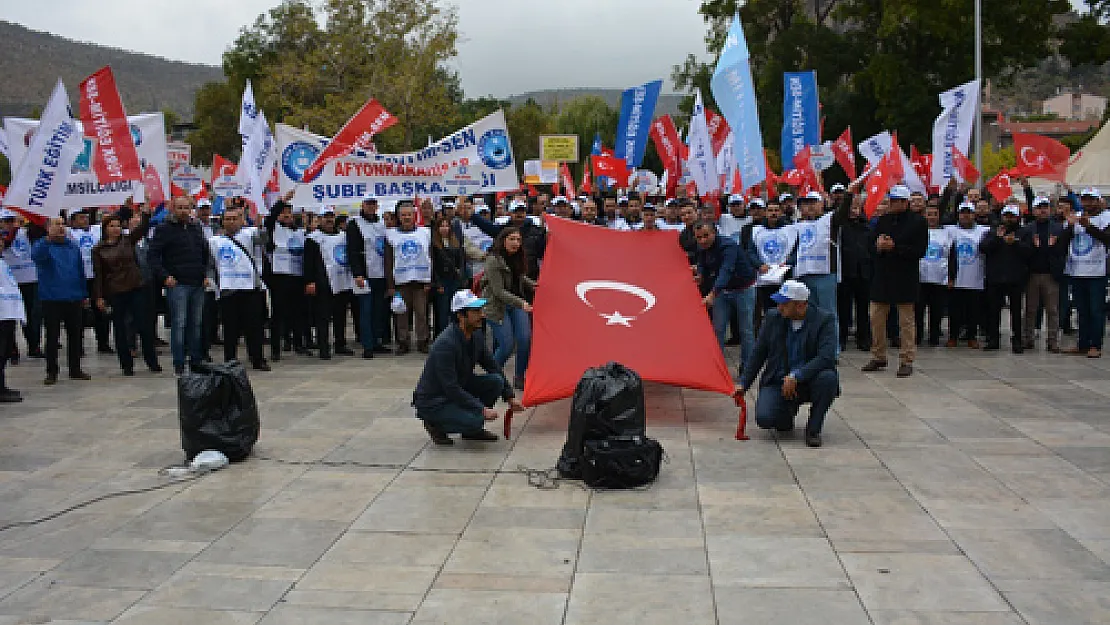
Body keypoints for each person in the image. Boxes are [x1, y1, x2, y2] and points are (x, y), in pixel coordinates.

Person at [412, 289, 523, 445]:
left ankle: (471, 431)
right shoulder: (445, 344)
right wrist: (481, 409)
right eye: (476, 311)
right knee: (476, 418)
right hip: (434, 401)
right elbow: (451, 388)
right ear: (460, 316)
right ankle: (435, 424)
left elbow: (492, 366)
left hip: (459, 385)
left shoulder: (476, 335)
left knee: (496, 381)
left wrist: (509, 396)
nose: (482, 315)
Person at [736, 280, 838, 448]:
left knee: (828, 378)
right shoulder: (772, 318)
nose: (779, 307)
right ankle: (787, 411)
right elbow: (758, 353)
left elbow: (826, 357)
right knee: (766, 419)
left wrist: (797, 376)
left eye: (784, 303)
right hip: (779, 379)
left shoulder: (824, 320)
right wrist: (743, 383)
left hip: (809, 379)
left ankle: (813, 429)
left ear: (800, 306)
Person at [861, 184, 928, 377]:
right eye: (891, 200)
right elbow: (870, 246)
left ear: (905, 202)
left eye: (897, 201)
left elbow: (919, 251)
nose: (893, 204)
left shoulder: (918, 222)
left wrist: (895, 247)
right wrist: (878, 246)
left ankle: (907, 359)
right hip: (882, 276)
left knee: (906, 321)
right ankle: (878, 355)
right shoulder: (883, 221)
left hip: (905, 276)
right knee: (876, 318)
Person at [91, 209, 162, 376]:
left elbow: (143, 228)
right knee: (120, 328)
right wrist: (99, 296)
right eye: (112, 226)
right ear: (105, 228)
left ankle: (151, 361)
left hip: (135, 286)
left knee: (144, 326)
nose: (116, 229)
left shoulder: (127, 240)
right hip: (115, 291)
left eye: (118, 225)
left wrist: (145, 213)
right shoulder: (99, 249)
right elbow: (98, 274)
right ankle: (126, 364)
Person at [149, 197, 209, 375]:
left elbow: (204, 252)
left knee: (196, 324)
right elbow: (153, 255)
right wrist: (164, 276)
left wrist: (205, 274)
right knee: (179, 324)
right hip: (178, 284)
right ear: (172, 209)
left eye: (186, 208)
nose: (183, 211)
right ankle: (179, 362)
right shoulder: (164, 229)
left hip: (197, 282)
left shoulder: (196, 228)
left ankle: (196, 359)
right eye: (180, 208)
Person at [207, 206, 270, 371]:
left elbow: (265, 238)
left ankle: (257, 358)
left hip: (250, 288)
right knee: (230, 328)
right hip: (228, 289)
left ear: (242, 220)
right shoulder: (214, 241)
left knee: (254, 326)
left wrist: (261, 223)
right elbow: (210, 265)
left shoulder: (250, 234)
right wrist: (212, 283)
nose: (231, 221)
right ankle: (230, 359)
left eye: (235, 218)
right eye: (228, 219)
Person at [31, 217, 91, 385]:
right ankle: (52, 371)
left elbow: (80, 271)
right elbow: (37, 257)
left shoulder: (72, 246)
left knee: (75, 335)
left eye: (62, 224)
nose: (61, 227)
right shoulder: (43, 246)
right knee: (52, 337)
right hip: (52, 298)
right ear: (48, 228)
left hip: (73, 297)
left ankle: (75, 368)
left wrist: (84, 293)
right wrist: (47, 240)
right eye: (56, 224)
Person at [693, 219, 757, 366]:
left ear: (714, 233)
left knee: (746, 331)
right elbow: (702, 262)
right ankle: (717, 367)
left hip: (743, 289)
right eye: (698, 237)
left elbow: (726, 270)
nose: (702, 240)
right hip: (723, 290)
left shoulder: (728, 246)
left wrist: (712, 294)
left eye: (706, 236)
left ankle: (747, 367)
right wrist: (701, 274)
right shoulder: (702, 247)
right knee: (718, 329)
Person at [481, 227, 535, 390]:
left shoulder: (516, 258)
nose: (515, 243)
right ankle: (492, 376)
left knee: (525, 339)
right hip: (497, 306)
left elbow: (519, 276)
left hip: (516, 303)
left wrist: (534, 285)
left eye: (518, 240)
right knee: (506, 345)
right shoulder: (493, 260)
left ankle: (519, 377)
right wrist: (521, 303)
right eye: (512, 239)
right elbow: (498, 291)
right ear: (503, 240)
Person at [1059, 188, 1110, 358]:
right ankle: (1083, 343)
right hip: (1077, 270)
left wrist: (1089, 227)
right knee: (1081, 310)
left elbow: (1107, 239)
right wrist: (1070, 226)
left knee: (1096, 310)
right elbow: (1062, 242)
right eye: (1085, 199)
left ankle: (1095, 344)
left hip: (1097, 272)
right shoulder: (1075, 217)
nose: (1088, 203)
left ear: (1098, 201)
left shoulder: (1106, 218)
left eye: (1091, 199)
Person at [981, 204, 1032, 352]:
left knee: (1016, 311)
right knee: (993, 310)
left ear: (1017, 217)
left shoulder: (1024, 232)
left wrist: (1015, 243)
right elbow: (983, 248)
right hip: (995, 278)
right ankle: (993, 339)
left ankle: (1017, 340)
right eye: (1006, 216)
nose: (1009, 219)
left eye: (1012, 216)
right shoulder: (993, 231)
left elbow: (1030, 252)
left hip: (1015, 278)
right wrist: (998, 239)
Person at [304, 209, 355, 359]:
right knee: (323, 317)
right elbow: (308, 262)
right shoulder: (313, 238)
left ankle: (340, 343)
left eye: (331, 217)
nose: (329, 220)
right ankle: (323, 347)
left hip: (341, 281)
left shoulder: (343, 236)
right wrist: (310, 281)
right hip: (322, 283)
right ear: (320, 219)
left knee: (340, 316)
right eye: (325, 217)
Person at [1019, 196, 1066, 352]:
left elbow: (1063, 251)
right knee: (1030, 309)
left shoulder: (1058, 228)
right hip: (1032, 274)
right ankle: (1028, 338)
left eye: (1045, 207)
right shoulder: (1027, 229)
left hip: (1050, 274)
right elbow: (1023, 252)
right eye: (1039, 207)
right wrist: (1034, 247)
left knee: (1052, 309)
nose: (1043, 210)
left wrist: (1053, 247)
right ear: (1034, 210)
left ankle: (1052, 341)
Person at [264, 198, 309, 359]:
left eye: (289, 214)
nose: (287, 217)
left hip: (296, 276)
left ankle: (298, 343)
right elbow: (269, 218)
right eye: (284, 214)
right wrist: (281, 202)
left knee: (297, 312)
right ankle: (276, 348)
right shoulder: (273, 228)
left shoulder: (298, 231)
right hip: (279, 276)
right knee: (278, 313)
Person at [347, 196, 391, 358]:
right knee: (366, 310)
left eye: (374, 204)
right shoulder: (355, 224)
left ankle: (376, 341)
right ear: (363, 205)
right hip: (365, 274)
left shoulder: (381, 224)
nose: (371, 207)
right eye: (368, 204)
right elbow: (352, 251)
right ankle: (367, 345)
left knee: (379, 310)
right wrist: (357, 273)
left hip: (380, 274)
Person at [945, 202, 989, 349]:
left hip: (975, 278)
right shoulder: (950, 230)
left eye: (968, 212)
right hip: (956, 278)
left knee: (973, 310)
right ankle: (953, 336)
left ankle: (972, 337)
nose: (965, 215)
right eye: (962, 212)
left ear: (974, 214)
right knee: (954, 310)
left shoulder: (984, 230)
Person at [68, 209, 112, 353]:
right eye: (81, 218)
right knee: (78, 313)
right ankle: (77, 345)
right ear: (73, 221)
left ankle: (103, 342)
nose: (85, 220)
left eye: (86, 217)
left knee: (101, 310)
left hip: (97, 278)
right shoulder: (69, 234)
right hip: (78, 278)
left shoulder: (97, 230)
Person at [1, 212, 43, 359]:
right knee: (10, 316)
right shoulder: (4, 236)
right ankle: (11, 349)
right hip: (10, 283)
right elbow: (6, 243)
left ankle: (34, 345)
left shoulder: (26, 232)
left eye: (12, 220)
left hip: (30, 279)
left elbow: (39, 228)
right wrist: (13, 229)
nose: (10, 223)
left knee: (33, 315)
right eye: (6, 221)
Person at [838, 195, 872, 351]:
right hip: (846, 271)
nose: (854, 209)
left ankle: (863, 338)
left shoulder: (867, 226)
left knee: (863, 308)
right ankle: (842, 337)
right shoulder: (841, 226)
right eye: (851, 206)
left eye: (857, 206)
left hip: (864, 272)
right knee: (844, 308)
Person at [916, 202, 952, 347]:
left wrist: (951, 276)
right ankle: (917, 336)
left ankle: (934, 337)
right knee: (918, 311)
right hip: (920, 277)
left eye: (934, 214)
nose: (931, 217)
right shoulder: (918, 231)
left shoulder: (946, 233)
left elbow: (951, 256)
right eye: (929, 214)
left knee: (936, 311)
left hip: (939, 277)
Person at [431, 215, 467, 336]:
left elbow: (461, 261)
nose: (444, 228)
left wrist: (461, 275)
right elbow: (433, 265)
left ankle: (455, 334)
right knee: (443, 312)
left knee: (455, 310)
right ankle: (443, 336)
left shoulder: (455, 242)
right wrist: (438, 283)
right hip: (442, 281)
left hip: (455, 280)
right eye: (442, 226)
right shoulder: (434, 244)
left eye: (447, 226)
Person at [0, 248, 26, 401]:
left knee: (6, 351)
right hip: (2, 312)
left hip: (8, 312)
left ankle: (2, 386)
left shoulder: (3, 262)